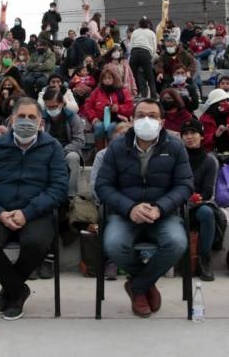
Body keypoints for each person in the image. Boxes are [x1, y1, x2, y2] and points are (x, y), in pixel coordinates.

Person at [0, 97, 68, 321]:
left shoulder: (52, 147)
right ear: (12, 119)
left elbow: (59, 188)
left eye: (31, 117)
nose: (26, 120)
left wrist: (27, 213)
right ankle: (18, 289)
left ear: (40, 121)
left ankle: (9, 289)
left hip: (35, 214)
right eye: (21, 116)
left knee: (38, 243)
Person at [96, 98, 192, 318]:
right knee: (113, 243)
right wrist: (130, 208)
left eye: (152, 116)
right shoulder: (117, 147)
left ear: (162, 122)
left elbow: (185, 185)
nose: (146, 120)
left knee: (176, 243)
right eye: (141, 116)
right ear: (131, 119)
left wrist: (160, 207)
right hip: (125, 213)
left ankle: (137, 286)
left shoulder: (175, 147)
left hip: (163, 214)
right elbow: (103, 185)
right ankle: (145, 284)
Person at [180, 118, 221, 281]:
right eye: (186, 134)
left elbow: (207, 191)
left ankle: (204, 260)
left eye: (193, 133)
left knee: (207, 213)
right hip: (176, 202)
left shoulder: (210, 161)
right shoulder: (176, 158)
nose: (189, 137)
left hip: (197, 204)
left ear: (201, 136)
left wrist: (194, 199)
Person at [42, 88, 85, 197]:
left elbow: (80, 140)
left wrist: (62, 151)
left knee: (73, 158)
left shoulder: (73, 117)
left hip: (68, 150)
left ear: (61, 104)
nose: (50, 109)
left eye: (54, 106)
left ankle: (71, 195)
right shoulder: (42, 118)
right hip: (48, 150)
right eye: (48, 107)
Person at [81, 68, 133, 151]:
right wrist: (93, 117)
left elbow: (130, 107)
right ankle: (99, 152)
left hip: (119, 120)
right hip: (100, 120)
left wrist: (118, 108)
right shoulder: (97, 91)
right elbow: (88, 105)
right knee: (98, 127)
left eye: (109, 78)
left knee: (112, 128)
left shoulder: (123, 91)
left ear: (114, 79)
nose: (107, 80)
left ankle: (111, 152)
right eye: (105, 78)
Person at [129, 19, 158, 98]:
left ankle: (133, 94)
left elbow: (130, 44)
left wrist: (132, 53)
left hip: (134, 52)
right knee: (150, 76)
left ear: (139, 24)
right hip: (146, 53)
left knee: (132, 75)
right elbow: (154, 46)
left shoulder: (135, 32)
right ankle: (153, 96)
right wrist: (151, 56)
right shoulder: (151, 33)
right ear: (148, 25)